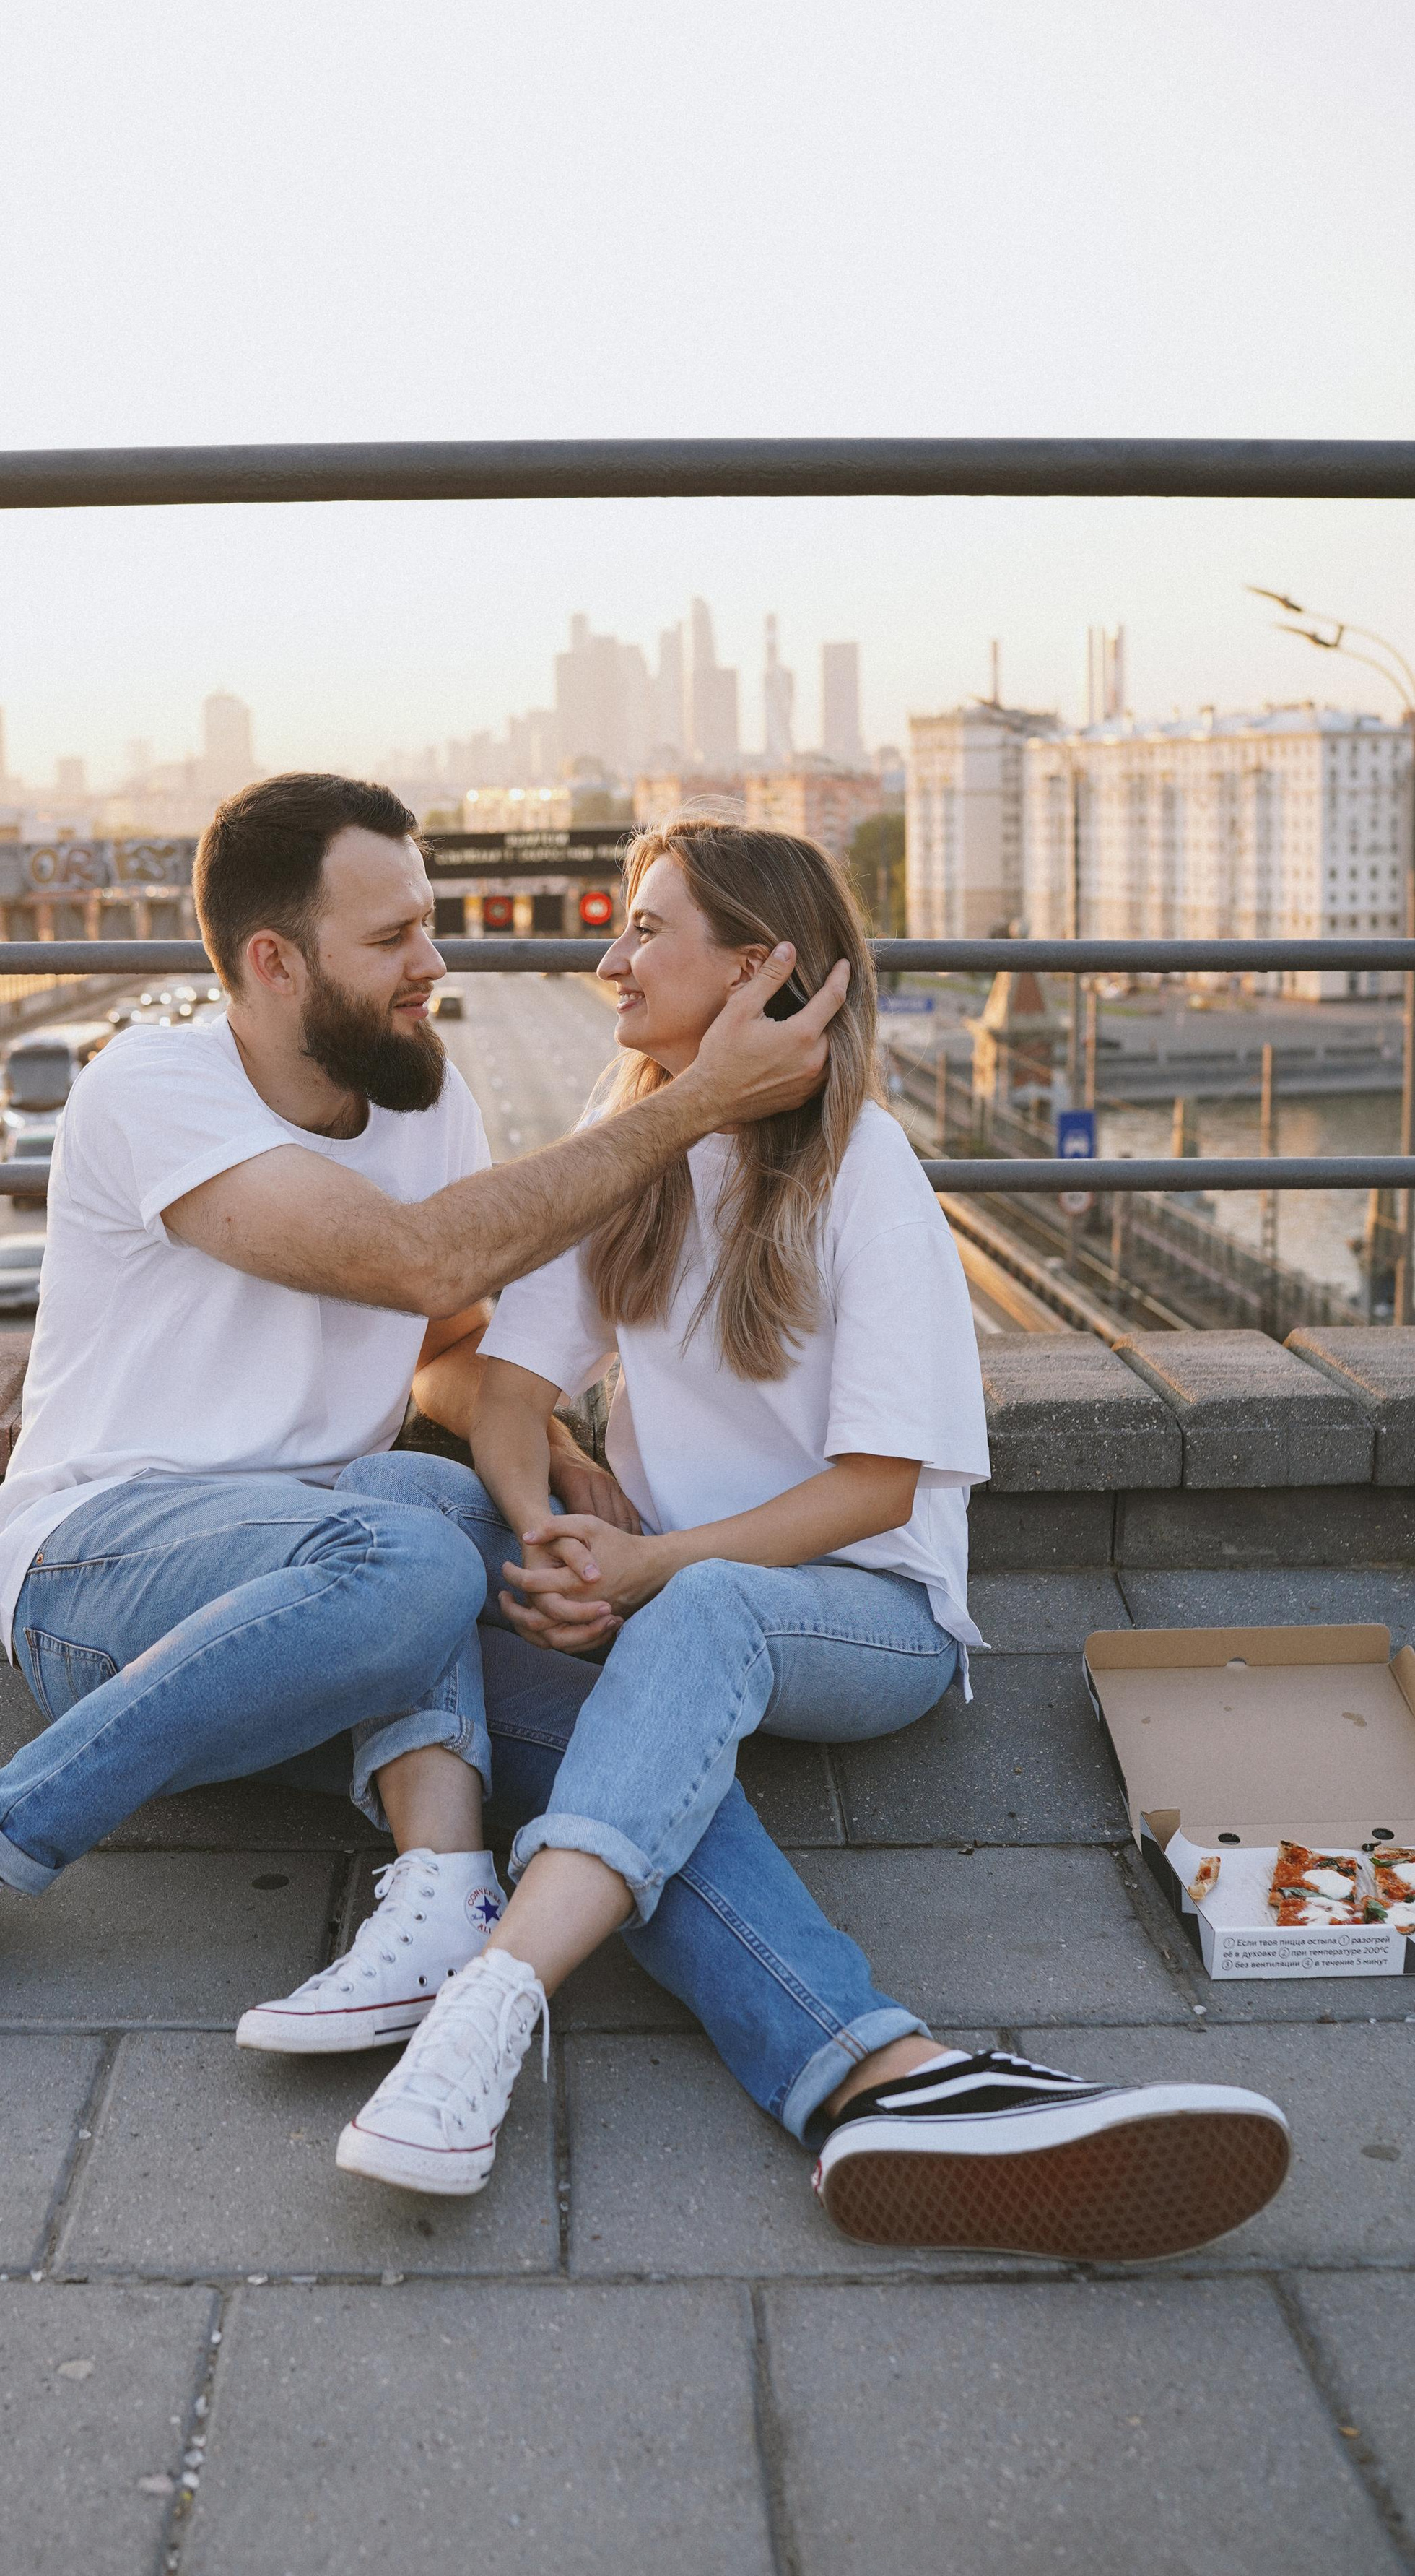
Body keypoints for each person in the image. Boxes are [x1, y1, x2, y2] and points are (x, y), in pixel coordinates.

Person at [283, 815, 1289, 2263]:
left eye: (644, 930)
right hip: (663, 1604)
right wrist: (543, 1527)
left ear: (756, 969)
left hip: (848, 1616)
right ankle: (872, 2076)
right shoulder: (630, 1137)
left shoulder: (856, 1168)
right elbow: (502, 1391)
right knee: (403, 1503)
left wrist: (641, 1571)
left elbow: (878, 1489)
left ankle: (486, 2003)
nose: (606, 956)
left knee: (696, 1631)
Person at [0, 773, 846, 2055]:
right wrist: (701, 1097)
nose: (431, 964)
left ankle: (844, 2056)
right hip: (103, 1562)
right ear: (273, 962)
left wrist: (545, 1443)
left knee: (616, 1749)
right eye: (392, 941)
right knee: (413, 1542)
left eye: (427, 925)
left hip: (345, 1598)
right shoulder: (153, 1089)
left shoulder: (429, 1104)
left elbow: (440, 1345)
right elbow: (415, 1265)